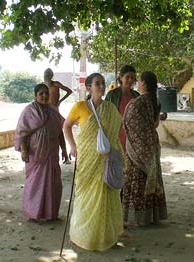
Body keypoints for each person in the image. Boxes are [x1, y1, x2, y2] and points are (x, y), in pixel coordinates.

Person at [63, 73, 124, 251]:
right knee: (84, 196)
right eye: (97, 84)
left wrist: (112, 149)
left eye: (102, 83)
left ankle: (106, 237)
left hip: (105, 161)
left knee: (106, 196)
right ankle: (84, 236)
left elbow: (116, 129)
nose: (101, 87)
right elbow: (66, 126)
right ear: (89, 87)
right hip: (87, 160)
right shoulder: (80, 107)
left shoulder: (110, 109)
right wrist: (73, 146)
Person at [15, 83, 67, 221]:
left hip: (52, 151)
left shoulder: (54, 111)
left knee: (53, 183)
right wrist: (23, 150)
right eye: (41, 94)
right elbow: (22, 133)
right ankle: (33, 213)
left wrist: (64, 149)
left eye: (46, 93)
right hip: (35, 154)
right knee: (35, 183)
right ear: (35, 95)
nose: (44, 96)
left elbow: (60, 131)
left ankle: (50, 214)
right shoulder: (29, 111)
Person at [123, 71, 168, 227]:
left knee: (138, 179)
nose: (136, 82)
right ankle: (152, 216)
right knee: (152, 175)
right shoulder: (154, 101)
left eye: (138, 80)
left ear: (143, 83)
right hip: (151, 144)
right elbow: (154, 124)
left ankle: (138, 219)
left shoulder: (138, 102)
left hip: (138, 146)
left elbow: (129, 122)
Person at [105, 65, 139, 152]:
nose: (130, 80)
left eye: (132, 78)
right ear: (121, 78)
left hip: (133, 137)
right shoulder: (112, 95)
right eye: (127, 77)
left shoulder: (136, 96)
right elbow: (105, 116)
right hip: (116, 136)